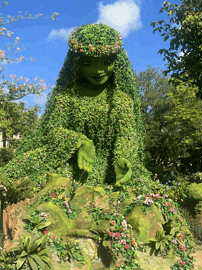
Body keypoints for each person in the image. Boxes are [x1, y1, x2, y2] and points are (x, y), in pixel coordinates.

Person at [0, 23, 151, 193]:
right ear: (76, 64)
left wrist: (124, 158)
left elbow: (126, 136)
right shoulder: (66, 98)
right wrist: (79, 142)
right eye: (88, 63)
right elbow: (54, 131)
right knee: (19, 173)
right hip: (71, 163)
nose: (99, 70)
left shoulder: (122, 101)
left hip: (109, 167)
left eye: (106, 62)